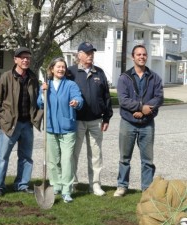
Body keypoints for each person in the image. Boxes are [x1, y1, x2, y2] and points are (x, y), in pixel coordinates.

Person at [0, 47, 43, 197]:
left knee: (26, 157)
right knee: (3, 157)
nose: (25, 60)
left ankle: (22, 184)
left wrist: (37, 117)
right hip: (9, 125)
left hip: (27, 124)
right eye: (22, 57)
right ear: (15, 60)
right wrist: (0, 121)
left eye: (28, 58)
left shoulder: (33, 79)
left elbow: (39, 101)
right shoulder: (6, 78)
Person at [114, 44, 164, 197]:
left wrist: (144, 112)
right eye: (138, 54)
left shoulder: (155, 77)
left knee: (147, 159)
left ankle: (146, 189)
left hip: (147, 124)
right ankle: (122, 186)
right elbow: (123, 100)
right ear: (133, 57)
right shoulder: (124, 78)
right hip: (128, 123)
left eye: (144, 54)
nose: (142, 57)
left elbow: (159, 97)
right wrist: (141, 107)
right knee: (124, 158)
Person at [68, 42, 113, 196]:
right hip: (77, 120)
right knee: (73, 153)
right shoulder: (71, 72)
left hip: (95, 120)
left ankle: (94, 185)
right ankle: (72, 183)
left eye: (92, 53)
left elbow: (106, 96)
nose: (90, 56)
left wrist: (107, 118)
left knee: (95, 154)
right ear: (79, 55)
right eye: (87, 53)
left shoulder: (99, 72)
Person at [37, 57, 83, 203]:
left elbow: (79, 99)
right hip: (50, 128)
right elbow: (39, 103)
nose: (61, 69)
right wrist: (43, 93)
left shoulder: (70, 85)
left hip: (68, 128)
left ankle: (66, 190)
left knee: (66, 159)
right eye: (58, 67)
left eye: (63, 67)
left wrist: (76, 102)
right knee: (53, 160)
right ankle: (55, 185)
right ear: (52, 69)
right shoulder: (46, 85)